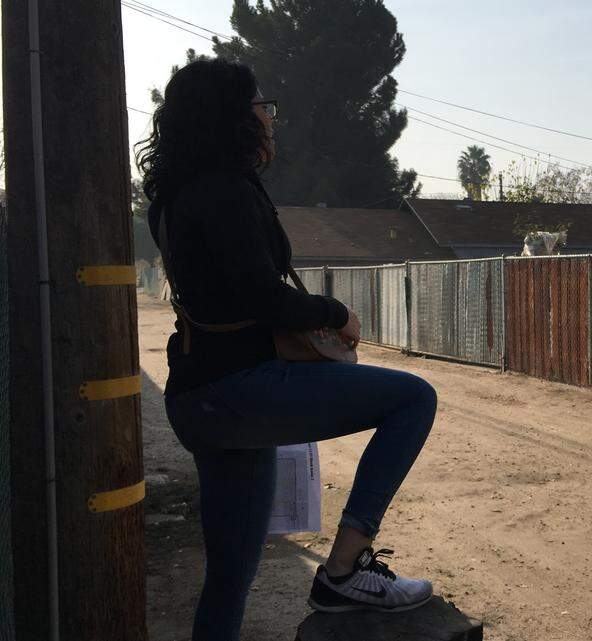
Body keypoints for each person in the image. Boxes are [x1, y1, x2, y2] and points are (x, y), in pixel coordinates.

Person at [138, 58, 437, 641]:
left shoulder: (174, 196)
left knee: (228, 580)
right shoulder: (223, 190)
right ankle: (344, 570)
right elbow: (261, 293)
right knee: (413, 399)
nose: (269, 118)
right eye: (260, 105)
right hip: (240, 389)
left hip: (200, 396)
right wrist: (336, 313)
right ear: (232, 115)